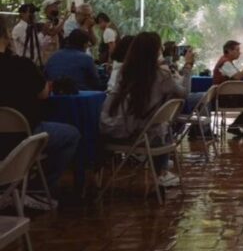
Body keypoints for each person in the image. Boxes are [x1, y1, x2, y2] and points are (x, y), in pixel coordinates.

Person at [0, 20, 81, 211]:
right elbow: (44, 94)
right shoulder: (22, 65)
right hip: (23, 138)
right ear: (6, 34)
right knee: (71, 135)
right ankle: (37, 189)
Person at [100, 32, 192, 188]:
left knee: (158, 125)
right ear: (156, 51)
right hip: (142, 137)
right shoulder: (161, 75)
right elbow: (184, 93)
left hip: (113, 128)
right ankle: (161, 173)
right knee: (162, 125)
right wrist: (188, 66)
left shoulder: (124, 72)